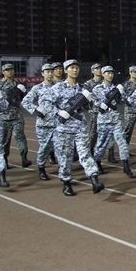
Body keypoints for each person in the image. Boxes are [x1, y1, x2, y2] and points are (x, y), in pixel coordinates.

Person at [39, 59, 104, 196]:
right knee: (65, 157)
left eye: (76, 68)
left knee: (85, 153)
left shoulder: (82, 88)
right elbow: (44, 103)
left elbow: (92, 105)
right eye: (71, 68)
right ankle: (66, 182)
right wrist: (58, 112)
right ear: (66, 70)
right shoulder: (58, 88)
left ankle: (94, 179)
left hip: (80, 127)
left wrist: (90, 101)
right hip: (63, 129)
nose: (75, 70)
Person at [92, 65, 134, 176]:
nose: (110, 75)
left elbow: (122, 101)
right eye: (108, 73)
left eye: (112, 73)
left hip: (115, 118)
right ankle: (97, 162)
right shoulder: (97, 89)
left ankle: (126, 165)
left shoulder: (116, 88)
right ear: (103, 74)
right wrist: (102, 103)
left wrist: (121, 93)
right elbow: (94, 102)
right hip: (103, 119)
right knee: (101, 143)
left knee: (122, 142)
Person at [22, 63, 57, 181]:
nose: (50, 74)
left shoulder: (59, 87)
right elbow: (25, 102)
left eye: (52, 71)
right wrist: (36, 110)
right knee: (44, 148)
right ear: (43, 73)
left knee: (62, 147)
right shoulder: (38, 88)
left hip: (59, 123)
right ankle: (41, 167)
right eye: (47, 71)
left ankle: (64, 169)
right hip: (44, 124)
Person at [0, 64, 32, 169]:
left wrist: (24, 92)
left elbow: (24, 98)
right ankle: (4, 159)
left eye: (11, 70)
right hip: (4, 117)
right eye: (7, 70)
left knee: (20, 136)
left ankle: (24, 158)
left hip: (17, 115)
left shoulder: (18, 84)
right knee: (5, 140)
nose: (10, 72)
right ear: (3, 72)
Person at [121, 65, 136, 159]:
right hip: (129, 112)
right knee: (127, 132)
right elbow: (122, 98)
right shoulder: (125, 85)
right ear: (130, 73)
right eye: (134, 72)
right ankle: (125, 150)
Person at [82, 63, 103, 155]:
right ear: (92, 71)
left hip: (105, 110)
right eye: (96, 69)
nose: (99, 70)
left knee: (107, 131)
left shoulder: (105, 82)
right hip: (94, 110)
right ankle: (90, 148)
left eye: (100, 68)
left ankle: (110, 153)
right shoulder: (88, 84)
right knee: (94, 131)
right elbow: (87, 96)